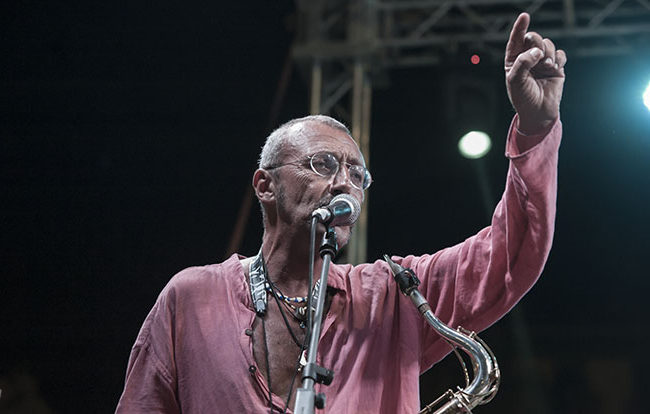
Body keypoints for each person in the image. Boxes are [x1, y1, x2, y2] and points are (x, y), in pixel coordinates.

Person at [115, 12, 565, 414]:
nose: (344, 182)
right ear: (265, 185)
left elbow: (510, 255)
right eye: (323, 164)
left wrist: (535, 127)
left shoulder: (395, 296)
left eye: (357, 174)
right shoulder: (190, 299)